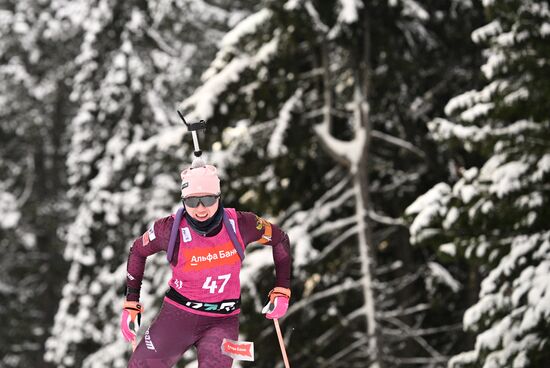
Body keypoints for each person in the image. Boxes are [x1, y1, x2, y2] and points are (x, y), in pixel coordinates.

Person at [120, 158, 292, 367]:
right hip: (178, 317)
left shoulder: (242, 224)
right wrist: (131, 302)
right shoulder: (169, 229)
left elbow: (280, 239)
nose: (201, 209)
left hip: (223, 321)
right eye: (192, 201)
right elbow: (138, 251)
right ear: (183, 200)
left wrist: (282, 290)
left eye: (208, 200)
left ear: (219, 197)